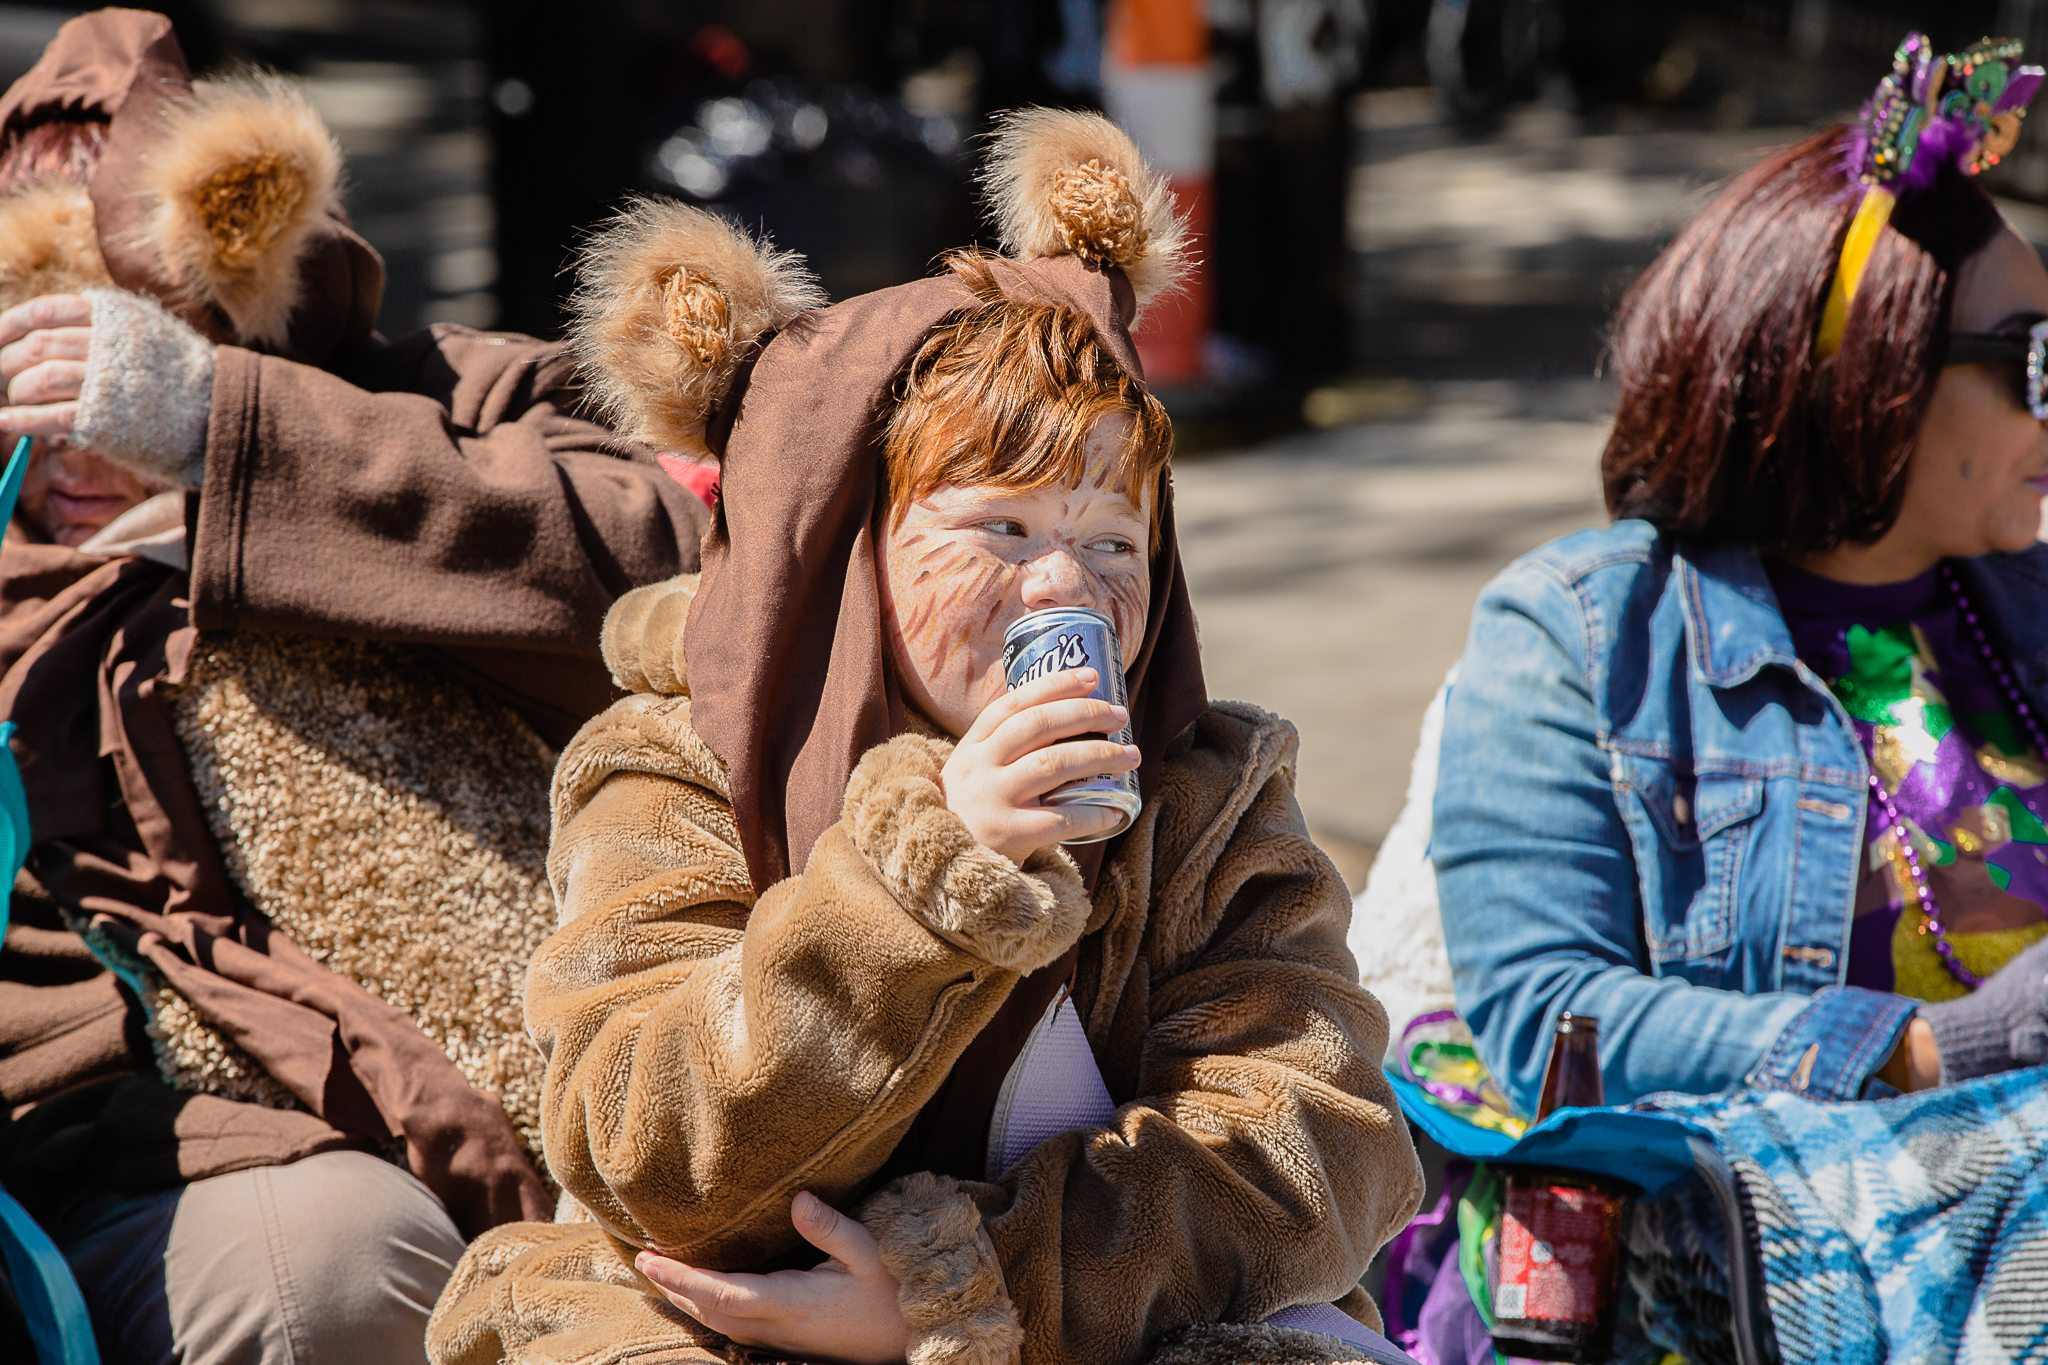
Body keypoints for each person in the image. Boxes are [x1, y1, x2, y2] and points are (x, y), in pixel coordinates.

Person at [427, 111, 1423, 1365]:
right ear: (848, 557)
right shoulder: (681, 765)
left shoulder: (1203, 794)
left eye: (1112, 542)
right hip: (728, 1315)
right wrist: (921, 894)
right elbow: (643, 1150)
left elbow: (1318, 1143)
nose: (1067, 587)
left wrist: (968, 1292)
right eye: (1000, 531)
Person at [0, 11, 710, 1363]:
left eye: (110, 351)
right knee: (330, 1264)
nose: (72, 424)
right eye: (28, 356)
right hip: (131, 1145)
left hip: (534, 1079)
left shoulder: (432, 396)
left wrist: (225, 430)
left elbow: (674, 566)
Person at [1431, 32, 2048, 1115]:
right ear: (1873, 374)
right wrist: (1943, 1049)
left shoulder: (2026, 596)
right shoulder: (1579, 634)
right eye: (2028, 360)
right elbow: (1546, 1016)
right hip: (1789, 1251)